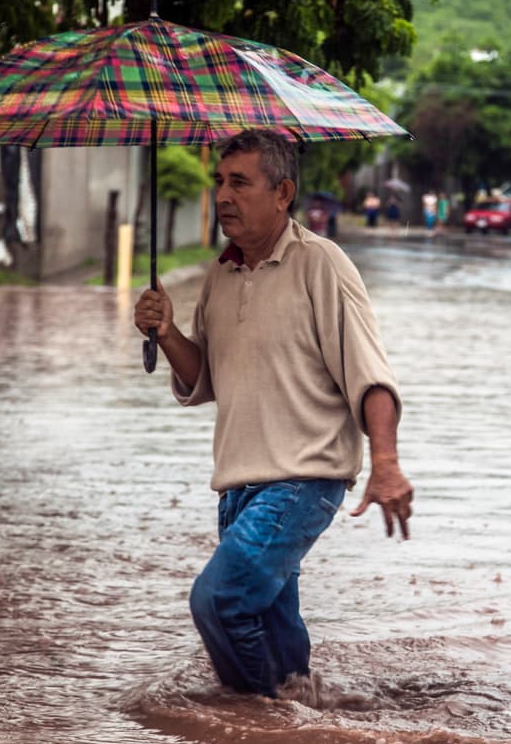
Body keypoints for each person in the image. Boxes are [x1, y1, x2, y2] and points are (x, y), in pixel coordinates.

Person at [133, 129, 413, 700]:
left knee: (219, 600)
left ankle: (252, 726)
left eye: (240, 182)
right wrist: (165, 333)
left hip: (303, 479)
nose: (223, 196)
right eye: (219, 182)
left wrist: (386, 463)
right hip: (236, 489)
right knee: (282, 654)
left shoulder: (322, 265)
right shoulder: (219, 273)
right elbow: (204, 377)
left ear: (282, 192)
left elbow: (371, 376)